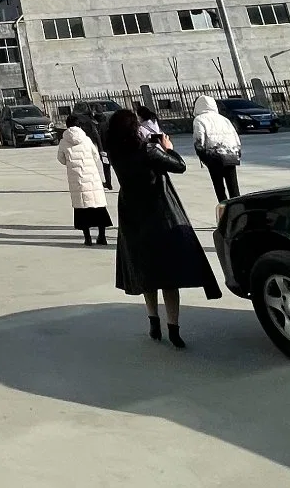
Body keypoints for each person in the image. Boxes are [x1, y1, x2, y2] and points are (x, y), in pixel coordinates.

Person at [105, 107, 221, 346]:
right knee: (168, 276)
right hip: (159, 213)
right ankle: (174, 328)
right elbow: (179, 166)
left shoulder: (114, 152)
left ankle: (153, 322)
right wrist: (167, 148)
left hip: (132, 215)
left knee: (147, 272)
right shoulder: (146, 150)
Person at [57, 113, 112, 246]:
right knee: (98, 206)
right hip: (91, 176)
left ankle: (88, 239)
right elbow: (95, 155)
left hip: (76, 178)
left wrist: (72, 164)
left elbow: (61, 159)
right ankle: (102, 237)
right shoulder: (86, 139)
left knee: (82, 208)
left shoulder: (63, 141)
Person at [191, 93, 242, 203]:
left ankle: (224, 211)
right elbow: (235, 137)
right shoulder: (224, 119)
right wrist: (238, 152)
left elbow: (199, 140)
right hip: (231, 154)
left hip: (214, 155)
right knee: (234, 188)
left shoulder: (199, 120)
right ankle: (237, 208)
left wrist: (203, 156)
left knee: (219, 187)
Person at [77, 108, 112, 189]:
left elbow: (98, 138)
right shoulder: (108, 122)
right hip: (112, 148)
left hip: (103, 148)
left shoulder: (96, 125)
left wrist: (101, 149)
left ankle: (109, 184)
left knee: (106, 167)